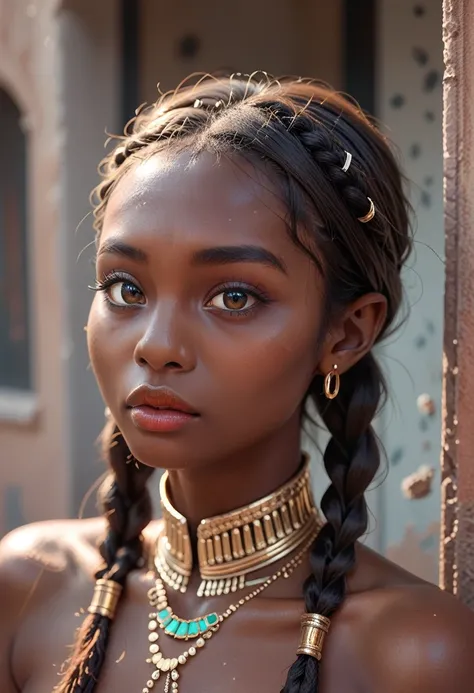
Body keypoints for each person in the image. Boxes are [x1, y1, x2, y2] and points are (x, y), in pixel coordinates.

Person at [1, 73, 473, 693]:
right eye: (127, 289)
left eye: (233, 296)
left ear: (345, 334)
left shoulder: (413, 654)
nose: (157, 346)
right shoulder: (28, 589)